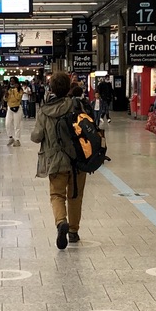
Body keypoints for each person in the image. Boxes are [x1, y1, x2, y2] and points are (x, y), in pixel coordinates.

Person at [31, 70, 88, 249]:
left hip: (56, 160)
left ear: (51, 88)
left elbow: (37, 136)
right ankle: (73, 231)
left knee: (57, 194)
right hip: (78, 159)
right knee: (75, 195)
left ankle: (61, 221)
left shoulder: (44, 110)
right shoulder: (77, 105)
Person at [5, 75, 24, 147]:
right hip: (10, 108)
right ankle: (10, 137)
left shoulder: (20, 90)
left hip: (17, 108)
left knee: (17, 125)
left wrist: (15, 89)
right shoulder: (8, 89)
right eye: (11, 81)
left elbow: (18, 98)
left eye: (13, 81)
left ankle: (17, 139)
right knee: (7, 123)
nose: (12, 83)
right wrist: (6, 94)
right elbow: (6, 99)